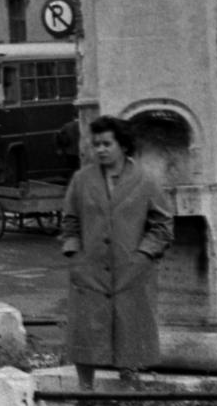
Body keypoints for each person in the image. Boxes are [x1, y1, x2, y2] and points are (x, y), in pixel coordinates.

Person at [60, 115, 174, 391]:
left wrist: (144, 255)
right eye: (96, 144)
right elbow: (70, 221)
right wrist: (75, 256)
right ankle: (85, 393)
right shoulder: (81, 179)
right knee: (85, 331)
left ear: (123, 145)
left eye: (106, 144)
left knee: (130, 330)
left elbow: (163, 224)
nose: (100, 149)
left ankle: (130, 390)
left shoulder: (145, 180)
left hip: (131, 270)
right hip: (90, 270)